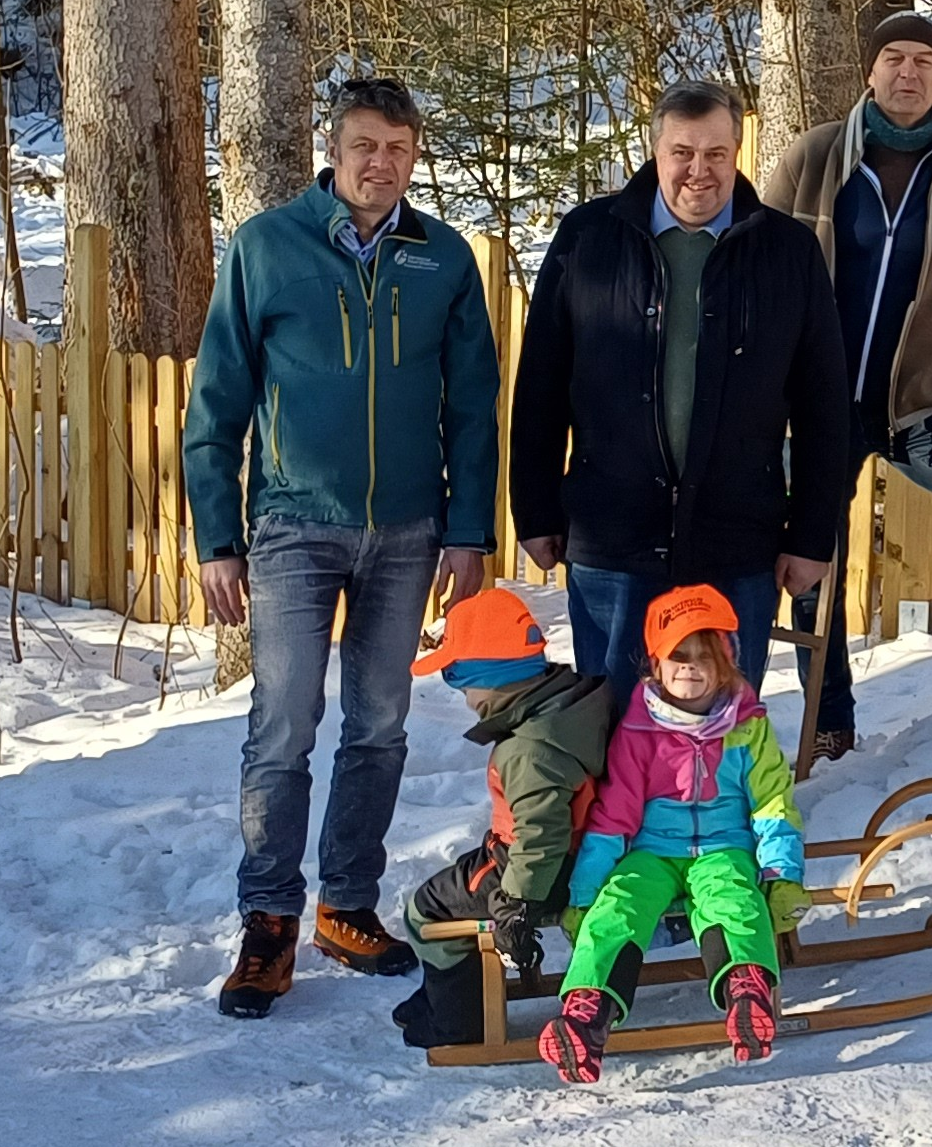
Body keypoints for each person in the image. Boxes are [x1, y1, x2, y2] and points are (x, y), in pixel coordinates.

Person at [180, 78, 502, 1018]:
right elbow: (218, 403)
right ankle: (269, 920)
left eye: (398, 149)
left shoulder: (440, 259)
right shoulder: (269, 247)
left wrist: (471, 525)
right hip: (292, 525)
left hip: (407, 531)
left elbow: (474, 404)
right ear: (335, 149)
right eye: (365, 145)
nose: (380, 164)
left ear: (414, 157)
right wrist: (217, 535)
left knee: (380, 724)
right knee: (283, 726)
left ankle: (346, 905)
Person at [508, 81, 854, 705]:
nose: (700, 171)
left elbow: (823, 405)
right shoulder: (589, 238)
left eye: (717, 154)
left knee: (720, 729)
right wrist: (534, 511)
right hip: (614, 532)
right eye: (682, 153)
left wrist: (810, 534)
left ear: (738, 153)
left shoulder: (786, 250)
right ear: (655, 151)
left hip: (736, 536)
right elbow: (540, 386)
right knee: (613, 725)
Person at [758, 10, 932, 761]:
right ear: (870, 71)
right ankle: (829, 711)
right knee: (810, 540)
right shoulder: (814, 158)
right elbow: (758, 273)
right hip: (819, 404)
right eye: (893, 59)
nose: (907, 73)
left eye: (924, 61)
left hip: (931, 403)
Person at [541, 586, 807, 1084]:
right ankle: (587, 1015)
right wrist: (584, 892)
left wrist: (781, 873)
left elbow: (774, 803)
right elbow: (614, 815)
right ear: (656, 666)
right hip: (652, 850)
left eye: (704, 657)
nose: (690, 668)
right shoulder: (640, 731)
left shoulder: (746, 728)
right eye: (678, 657)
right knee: (617, 906)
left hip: (724, 847)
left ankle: (747, 994)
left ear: (726, 662)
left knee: (734, 899)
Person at [391, 587, 614, 1049]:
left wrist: (517, 903)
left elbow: (542, 834)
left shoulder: (529, 749)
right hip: (564, 853)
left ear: (491, 678)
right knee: (451, 891)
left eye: (463, 684)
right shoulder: (566, 705)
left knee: (425, 911)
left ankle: (458, 1021)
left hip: (534, 871)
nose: (466, 698)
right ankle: (443, 991)